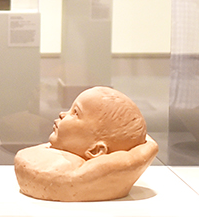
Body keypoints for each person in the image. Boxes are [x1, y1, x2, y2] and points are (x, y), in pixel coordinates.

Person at [13, 86, 158, 201]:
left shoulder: (74, 172)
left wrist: (147, 147)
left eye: (75, 113)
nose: (62, 114)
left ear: (96, 151)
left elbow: (131, 159)